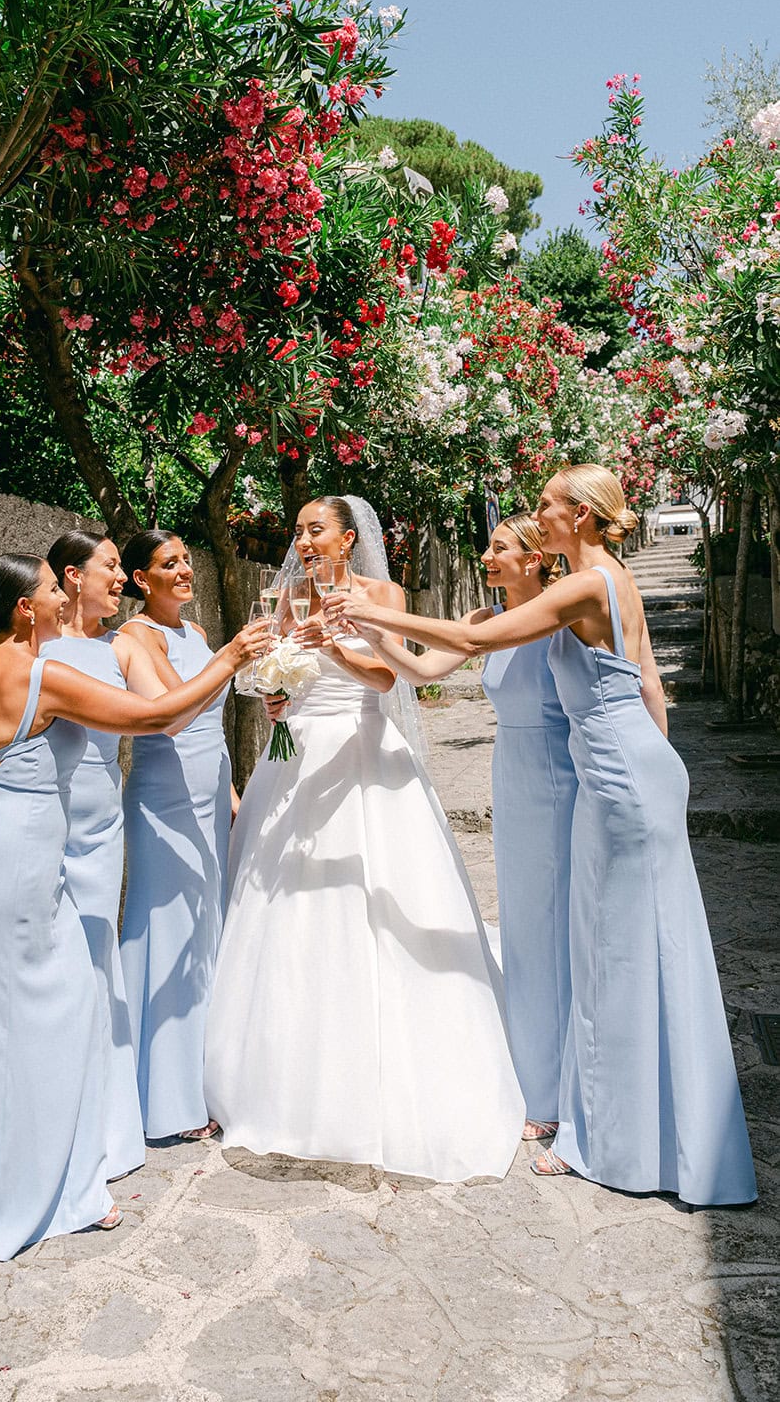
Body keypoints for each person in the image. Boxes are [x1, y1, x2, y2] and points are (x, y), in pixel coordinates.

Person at [330, 467, 757, 1207]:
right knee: (636, 949)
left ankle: (617, 1141)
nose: (538, 516)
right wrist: (662, 770)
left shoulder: (586, 584)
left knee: (616, 954)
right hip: (631, 773)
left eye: (546, 507)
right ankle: (650, 1130)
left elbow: (475, 635)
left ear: (581, 515)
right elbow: (648, 684)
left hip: (618, 780)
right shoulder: (610, 579)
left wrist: (372, 611)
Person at [0, 555, 267, 1276]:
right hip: (15, 859)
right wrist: (229, 656)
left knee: (2, 1018)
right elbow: (156, 716)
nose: (62, 594)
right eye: (51, 588)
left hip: (5, 849)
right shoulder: (43, 674)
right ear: (27, 608)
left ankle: (23, 1183)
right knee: (31, 1014)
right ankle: (9, 1195)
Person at [203, 496, 526, 1182]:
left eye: (315, 530)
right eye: (297, 531)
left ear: (347, 539)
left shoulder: (383, 596)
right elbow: (267, 670)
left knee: (367, 891)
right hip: (295, 755)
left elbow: (386, 677)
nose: (303, 541)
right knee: (284, 899)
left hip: (361, 748)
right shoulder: (283, 596)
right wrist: (273, 694)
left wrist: (332, 650)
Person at [0, 530, 192, 1182]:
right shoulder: (40, 648)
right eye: (110, 566)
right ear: (71, 578)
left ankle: (102, 1138)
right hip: (42, 832)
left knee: (92, 975)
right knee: (54, 986)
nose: (120, 577)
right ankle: (46, 1144)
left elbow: (162, 715)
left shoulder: (116, 646)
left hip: (95, 827)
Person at [350, 512, 576, 1143]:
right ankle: (536, 1072)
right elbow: (423, 672)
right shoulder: (481, 616)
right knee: (526, 921)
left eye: (498, 548)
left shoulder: (561, 612)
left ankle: (565, 1083)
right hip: (513, 774)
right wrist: (370, 634)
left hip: (560, 774)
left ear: (533, 558)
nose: (485, 557)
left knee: (558, 920)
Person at [117, 529, 240, 1143]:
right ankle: (163, 1097)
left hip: (209, 792)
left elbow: (210, 723)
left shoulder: (195, 632)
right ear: (142, 580)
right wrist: (234, 658)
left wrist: (231, 792)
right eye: (171, 563)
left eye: (188, 559)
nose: (187, 570)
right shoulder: (136, 636)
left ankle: (205, 1079)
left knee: (205, 926)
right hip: (164, 798)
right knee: (167, 928)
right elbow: (174, 714)